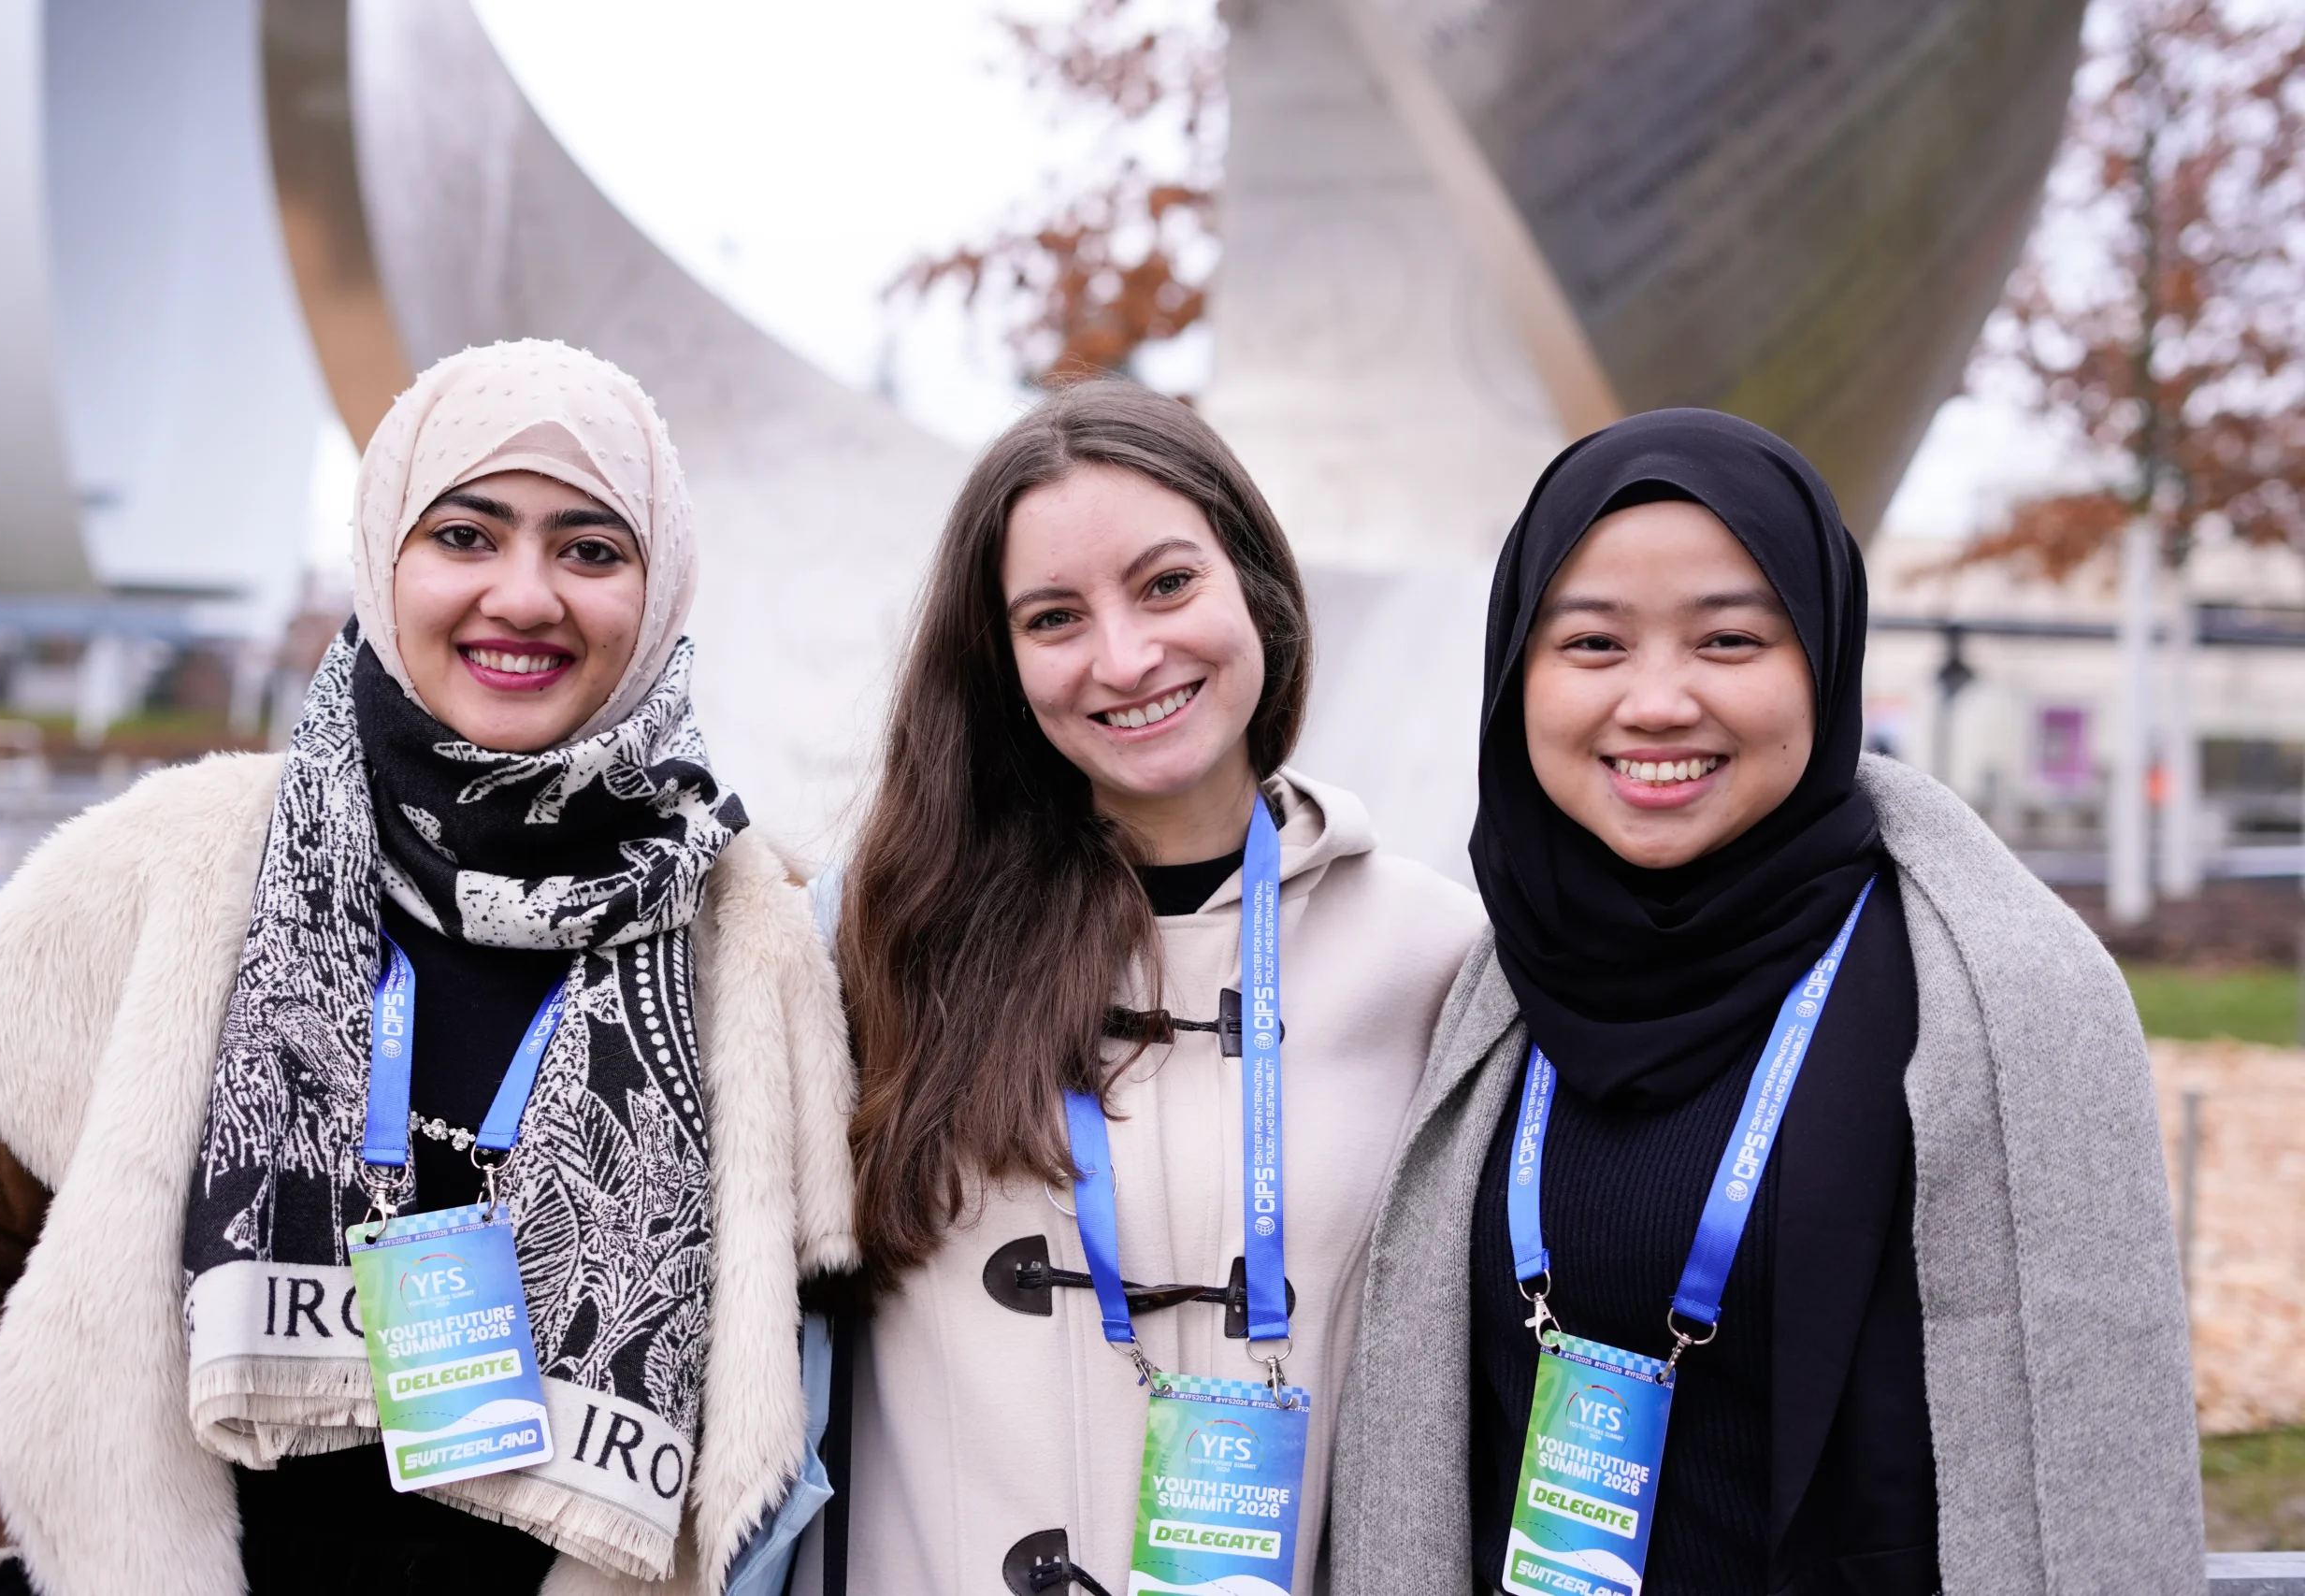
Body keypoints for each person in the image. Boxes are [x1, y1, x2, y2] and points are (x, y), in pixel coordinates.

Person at [0, 340, 856, 1596]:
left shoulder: (754, 942)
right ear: (382, 558)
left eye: (590, 549)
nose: (525, 596)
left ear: (661, 586)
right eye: (465, 535)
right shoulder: (168, 863)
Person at [1327, 409, 2206, 1594]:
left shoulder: (1999, 1001)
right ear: (1515, 676)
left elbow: (2099, 1473)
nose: (1656, 701)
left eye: (1729, 640)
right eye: (1592, 643)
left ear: (1824, 662)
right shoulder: (1482, 988)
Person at [798, 380, 1485, 1594]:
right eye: (1054, 617)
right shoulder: (874, 940)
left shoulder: (1438, 958)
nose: (1124, 657)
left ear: (1256, 588)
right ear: (1003, 663)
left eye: (1167, 583)